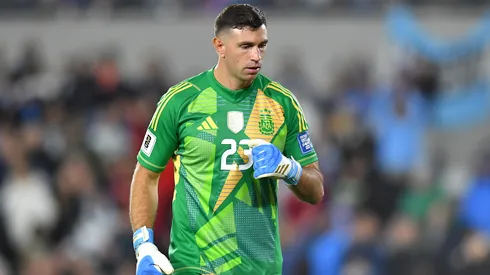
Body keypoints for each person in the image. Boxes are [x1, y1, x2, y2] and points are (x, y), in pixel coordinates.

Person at [129, 4, 324, 275]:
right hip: (194, 264)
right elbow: (146, 174)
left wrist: (289, 169)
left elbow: (315, 191)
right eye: (245, 46)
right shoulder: (180, 101)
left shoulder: (282, 104)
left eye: (261, 45)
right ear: (219, 46)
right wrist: (144, 246)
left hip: (261, 267)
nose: (256, 56)